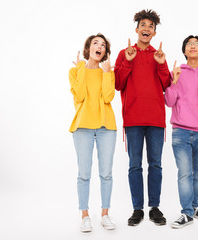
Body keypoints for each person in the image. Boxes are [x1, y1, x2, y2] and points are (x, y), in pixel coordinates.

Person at [114, 9, 170, 226]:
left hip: (156, 119)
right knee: (134, 165)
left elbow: (166, 86)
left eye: (151, 27)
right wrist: (128, 61)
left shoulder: (159, 55)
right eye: (143, 25)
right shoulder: (125, 53)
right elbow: (118, 84)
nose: (147, 29)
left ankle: (154, 207)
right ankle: (137, 208)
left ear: (154, 33)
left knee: (155, 164)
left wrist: (162, 64)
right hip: (133, 119)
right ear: (136, 29)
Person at [164, 35, 198, 229]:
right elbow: (169, 102)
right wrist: (174, 82)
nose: (192, 47)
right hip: (181, 131)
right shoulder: (176, 72)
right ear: (184, 51)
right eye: (189, 44)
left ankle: (194, 207)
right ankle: (186, 213)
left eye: (196, 44)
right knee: (185, 173)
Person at [69, 33, 117, 232]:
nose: (100, 47)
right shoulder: (75, 71)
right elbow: (79, 95)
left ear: (105, 52)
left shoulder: (107, 72)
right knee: (84, 174)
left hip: (106, 128)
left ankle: (105, 215)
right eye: (96, 43)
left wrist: (106, 74)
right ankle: (85, 215)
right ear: (88, 49)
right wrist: (81, 68)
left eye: (103, 45)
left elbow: (108, 97)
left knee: (106, 174)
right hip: (82, 129)